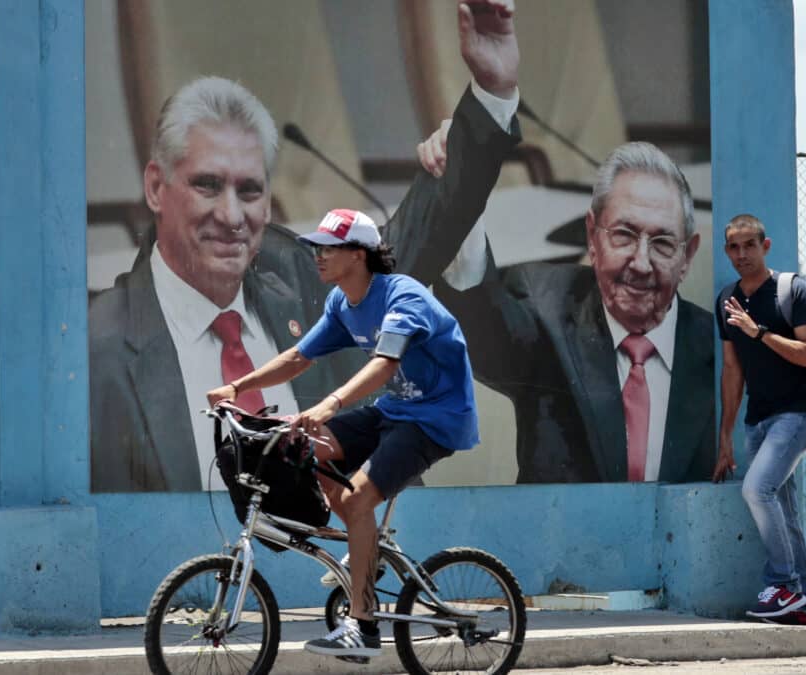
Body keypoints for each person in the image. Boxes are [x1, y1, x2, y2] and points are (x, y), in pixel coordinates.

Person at [89, 0, 521, 492]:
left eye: (249, 190)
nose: (232, 216)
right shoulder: (98, 351)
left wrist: (490, 93)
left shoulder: (298, 277)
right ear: (155, 189)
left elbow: (413, 238)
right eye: (207, 185)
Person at [208, 208, 480, 658]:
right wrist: (238, 387)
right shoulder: (342, 303)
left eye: (328, 248)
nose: (317, 256)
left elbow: (385, 362)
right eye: (316, 247)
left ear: (359, 254)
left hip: (436, 421)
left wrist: (331, 403)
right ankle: (364, 548)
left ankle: (365, 626)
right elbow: (299, 356)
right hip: (393, 411)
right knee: (304, 446)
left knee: (356, 500)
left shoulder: (402, 297)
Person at [405, 136, 715, 483]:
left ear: (687, 256)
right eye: (624, 235)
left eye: (662, 243)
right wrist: (461, 199)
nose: (641, 264)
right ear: (592, 236)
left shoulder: (724, 351)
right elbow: (485, 329)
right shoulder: (548, 307)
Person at [714, 214, 806, 626]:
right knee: (785, 509)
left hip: (797, 412)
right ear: (727, 251)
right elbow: (732, 369)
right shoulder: (727, 298)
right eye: (734, 247)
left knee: (757, 491)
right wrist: (726, 434)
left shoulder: (792, 291)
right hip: (757, 420)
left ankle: (782, 584)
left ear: (766, 246)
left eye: (749, 246)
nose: (741, 254)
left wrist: (758, 331)